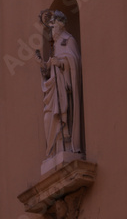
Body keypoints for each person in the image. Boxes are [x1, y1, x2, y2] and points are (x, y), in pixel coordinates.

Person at [35, 10, 82, 159]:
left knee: (62, 117)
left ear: (60, 25)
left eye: (53, 26)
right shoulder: (55, 46)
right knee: (48, 118)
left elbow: (75, 62)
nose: (52, 30)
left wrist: (61, 64)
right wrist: (43, 65)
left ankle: (66, 144)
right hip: (53, 89)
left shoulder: (68, 40)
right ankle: (54, 149)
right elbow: (49, 68)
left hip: (64, 89)